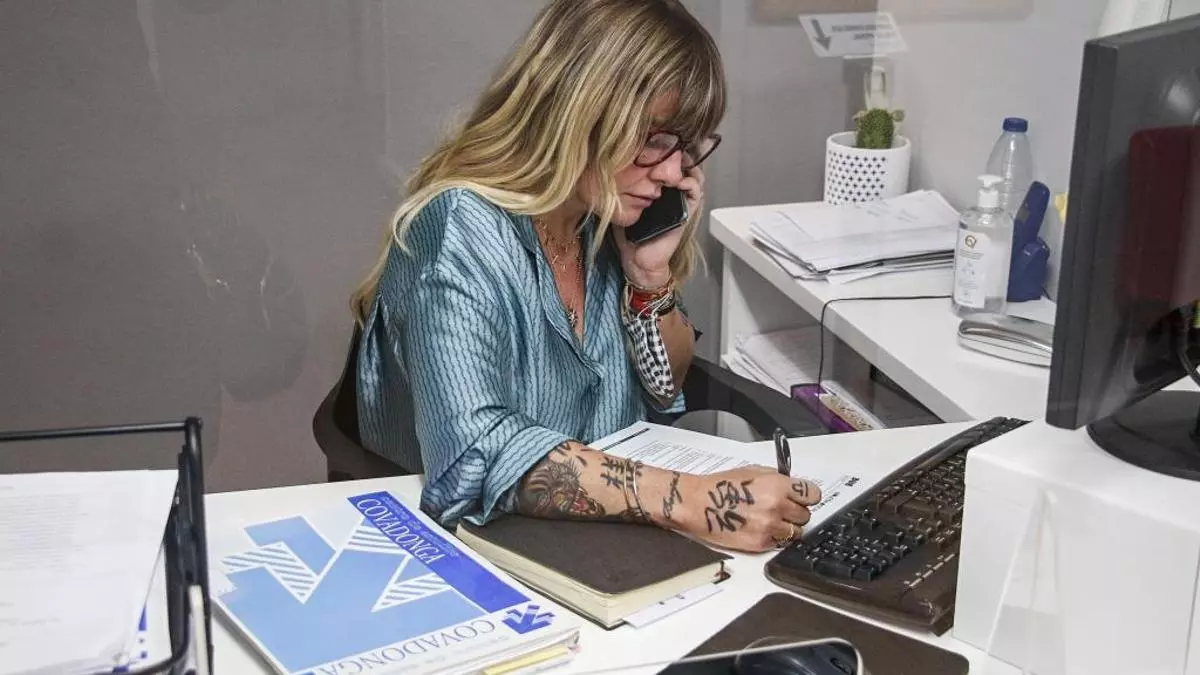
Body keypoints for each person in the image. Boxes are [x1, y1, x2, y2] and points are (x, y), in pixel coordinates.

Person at [351, 0, 821, 553]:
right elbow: (472, 454)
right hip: (479, 545)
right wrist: (692, 499)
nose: (673, 172)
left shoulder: (598, 219)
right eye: (655, 139)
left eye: (687, 147)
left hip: (600, 535)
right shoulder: (459, 228)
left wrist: (649, 275)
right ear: (580, 112)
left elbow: (663, 389)